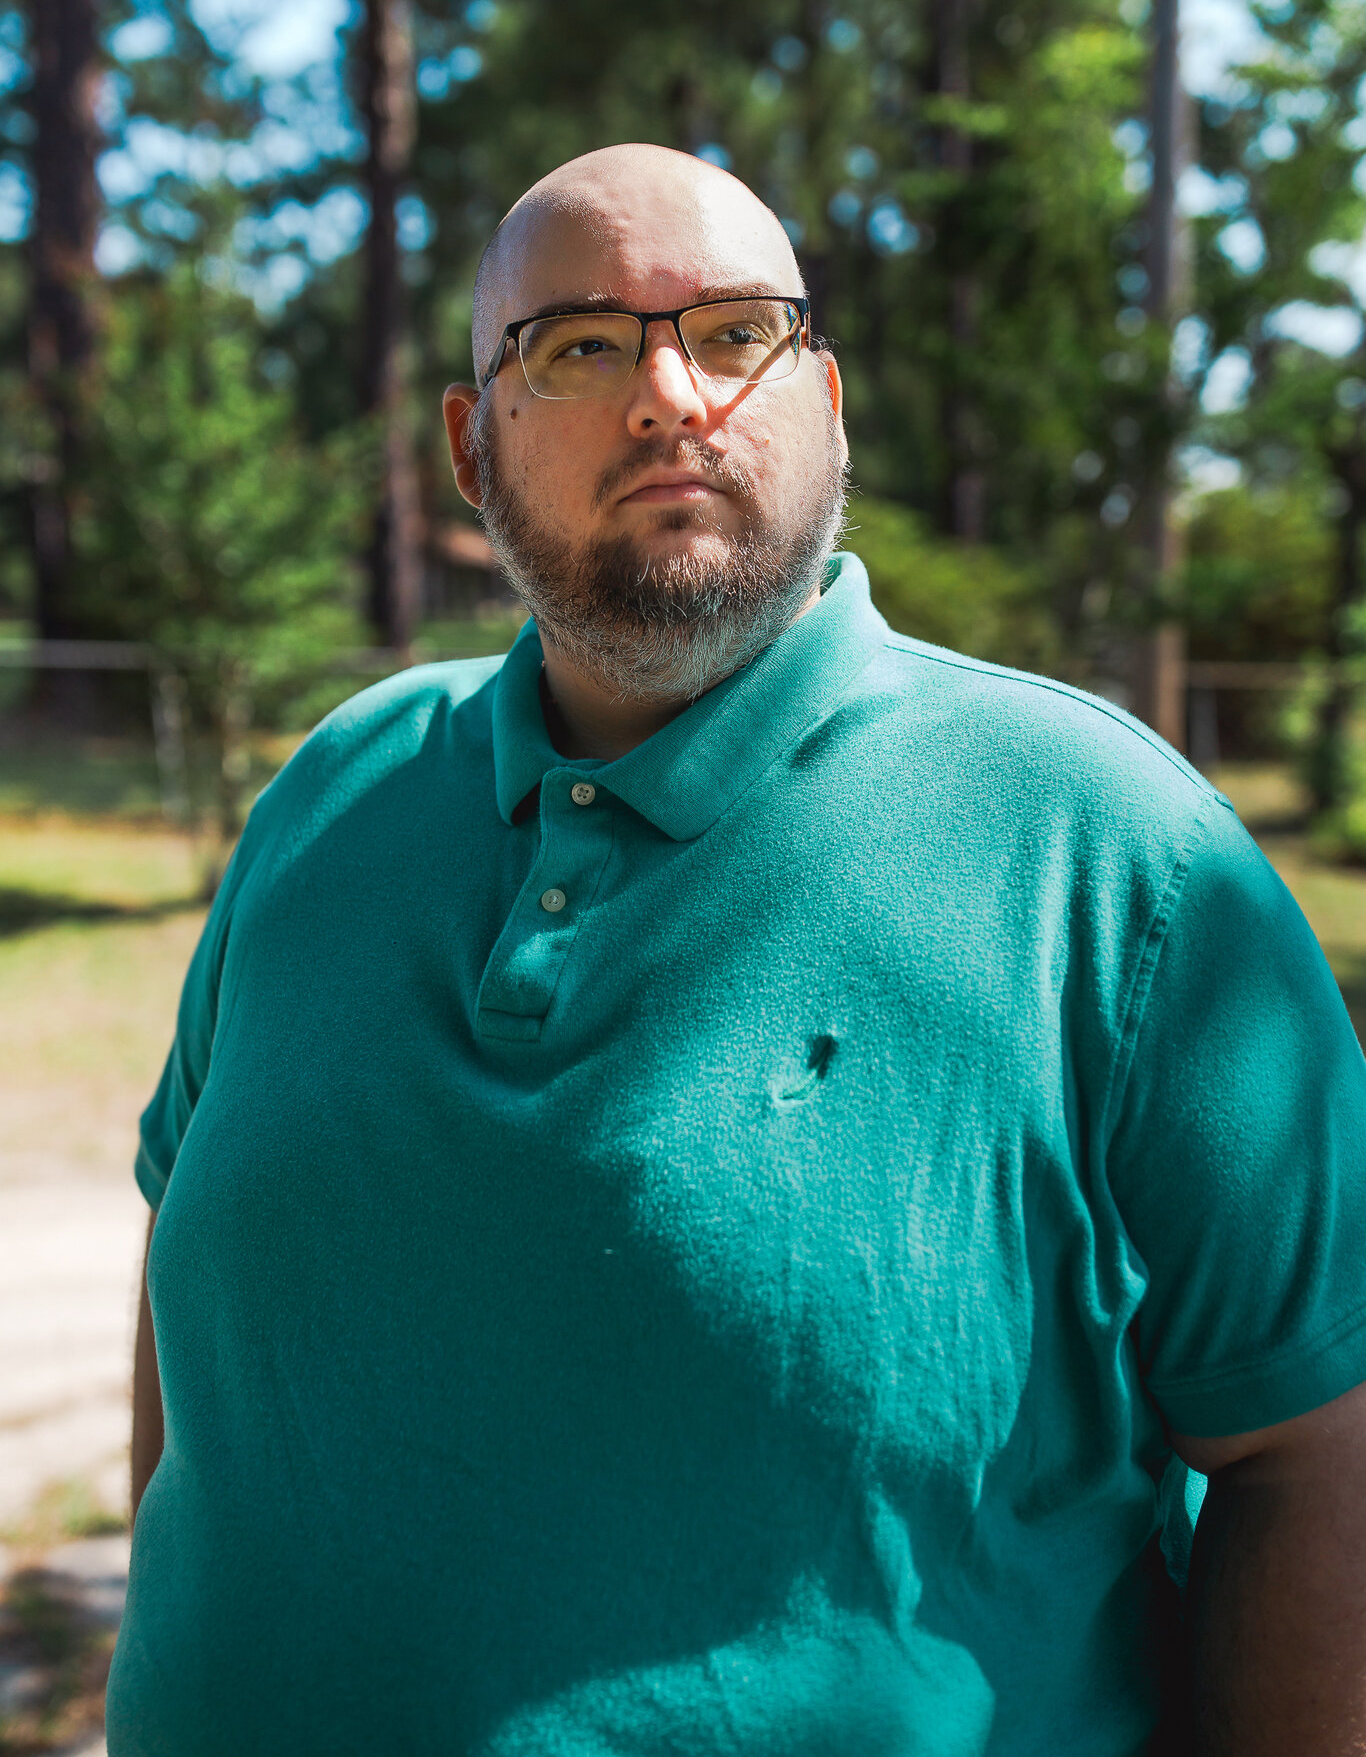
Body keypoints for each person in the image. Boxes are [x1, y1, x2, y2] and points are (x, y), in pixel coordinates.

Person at [108, 144, 1366, 1757]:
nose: (668, 396)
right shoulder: (331, 792)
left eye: (733, 334)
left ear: (822, 403)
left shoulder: (1118, 853)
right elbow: (189, 1274)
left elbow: (1315, 1447)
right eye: (578, 345)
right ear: (470, 445)